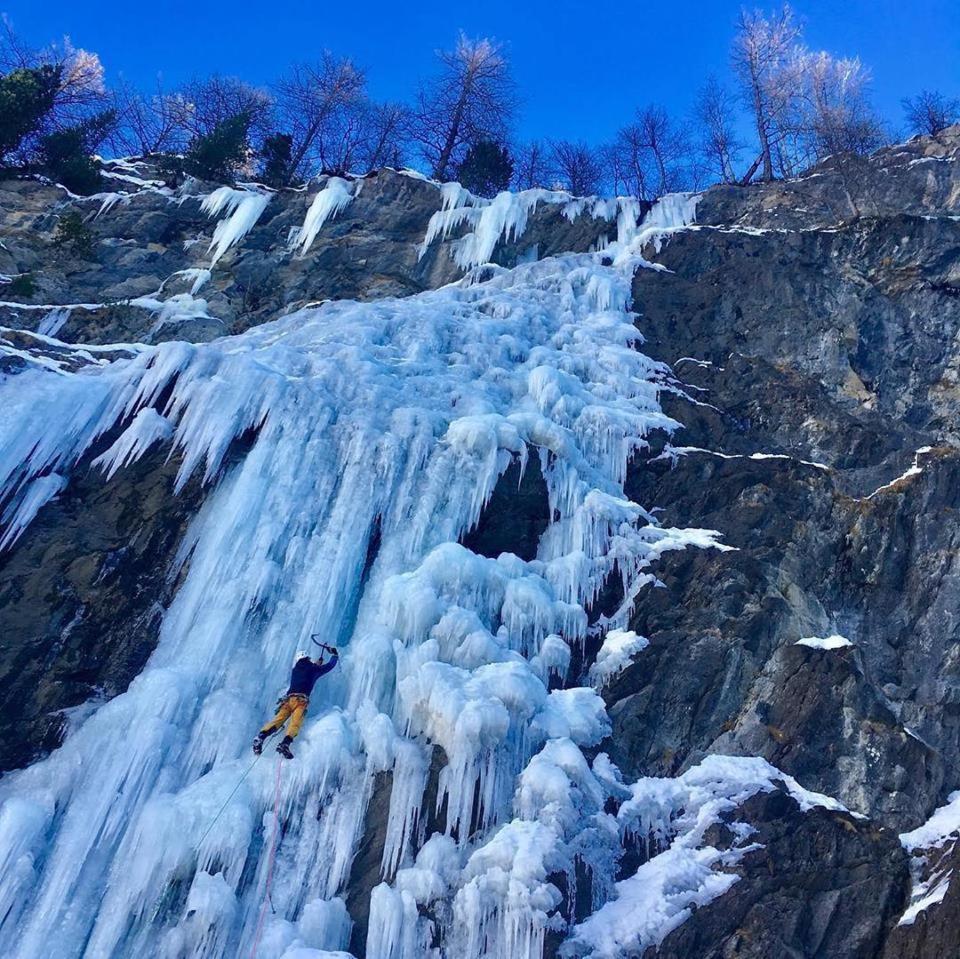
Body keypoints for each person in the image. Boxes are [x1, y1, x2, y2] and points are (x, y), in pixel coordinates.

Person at [253, 645, 338, 759]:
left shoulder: (295, 669)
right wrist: (334, 655)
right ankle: (285, 744)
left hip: (288, 701)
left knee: (277, 721)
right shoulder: (313, 669)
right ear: (308, 658)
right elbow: (329, 666)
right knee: (295, 723)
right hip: (300, 701)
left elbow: (309, 669)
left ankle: (261, 737)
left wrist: (316, 664)